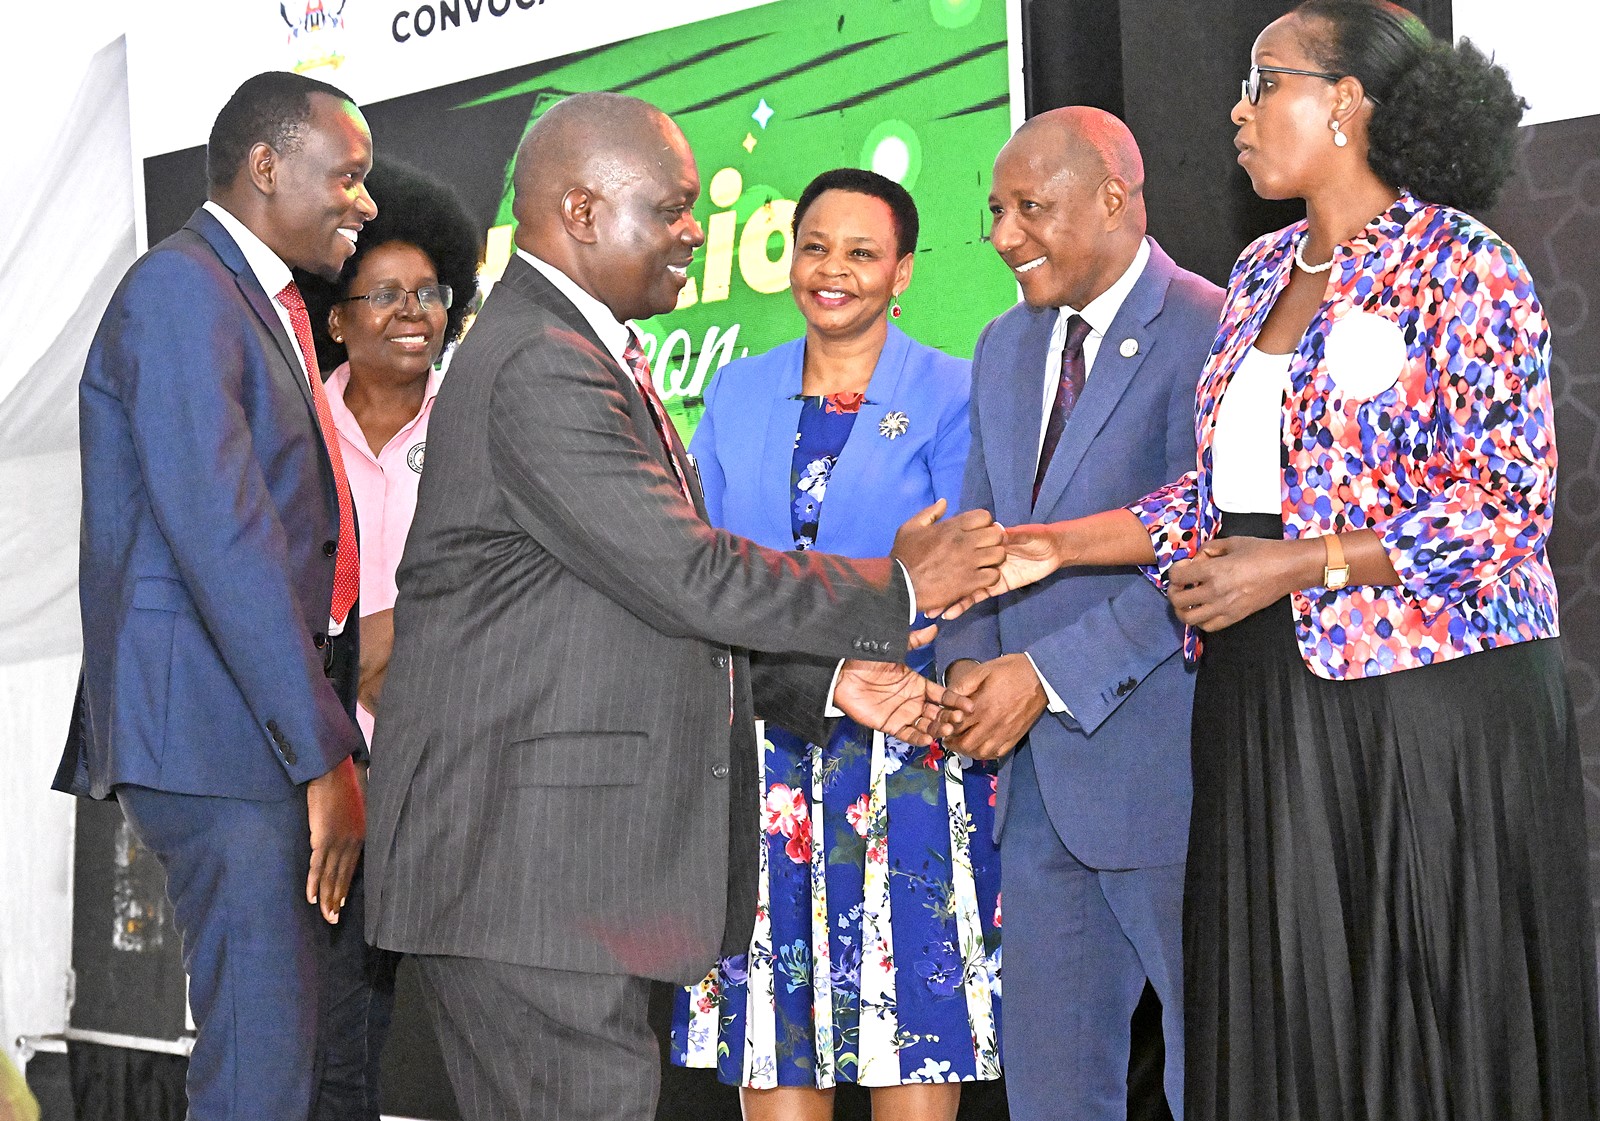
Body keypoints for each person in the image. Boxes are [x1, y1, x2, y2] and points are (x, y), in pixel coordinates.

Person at [960, 3, 1600, 1118]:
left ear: (1344, 103)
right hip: (1268, 703)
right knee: (1292, 1018)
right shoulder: (1255, 272)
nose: (1236, 108)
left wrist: (1299, 566)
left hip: (1426, 708)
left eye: (1263, 82)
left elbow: (1505, 509)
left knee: (1421, 1012)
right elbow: (1213, 499)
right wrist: (1053, 545)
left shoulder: (1464, 265)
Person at [361, 92, 1006, 1121]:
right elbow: (688, 575)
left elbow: (651, 612)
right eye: (670, 208)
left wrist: (829, 683)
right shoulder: (542, 361)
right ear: (580, 212)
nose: (695, 232)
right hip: (532, 880)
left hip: (557, 880)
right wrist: (904, 584)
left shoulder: (573, 350)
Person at [58, 72, 377, 1119]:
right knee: (258, 1064)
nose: (363, 203)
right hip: (220, 728)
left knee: (286, 1054)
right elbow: (224, 533)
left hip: (242, 723)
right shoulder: (182, 289)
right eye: (349, 175)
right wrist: (320, 748)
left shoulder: (250, 297)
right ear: (267, 167)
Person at [671, 168, 1002, 1120]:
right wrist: (872, 596)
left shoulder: (952, 390)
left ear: (902, 273)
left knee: (910, 1036)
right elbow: (705, 574)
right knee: (779, 1049)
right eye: (816, 246)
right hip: (767, 753)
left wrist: (883, 608)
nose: (833, 270)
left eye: (862, 253)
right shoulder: (734, 392)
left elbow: (958, 574)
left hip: (907, 758)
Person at [937, 109, 1222, 1121]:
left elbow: (1204, 551)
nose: (1004, 236)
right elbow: (978, 535)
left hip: (1169, 776)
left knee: (1215, 1073)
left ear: (1114, 198)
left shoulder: (1214, 327)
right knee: (1053, 1089)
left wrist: (1042, 675)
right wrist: (968, 675)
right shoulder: (1001, 346)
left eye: (1029, 209)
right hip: (1032, 787)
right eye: (996, 211)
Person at [299, 158, 483, 746]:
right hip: (323, 756)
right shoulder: (294, 433)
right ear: (333, 318)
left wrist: (386, 640)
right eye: (384, 294)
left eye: (428, 292)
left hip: (460, 742)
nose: (412, 309)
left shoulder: (480, 425)